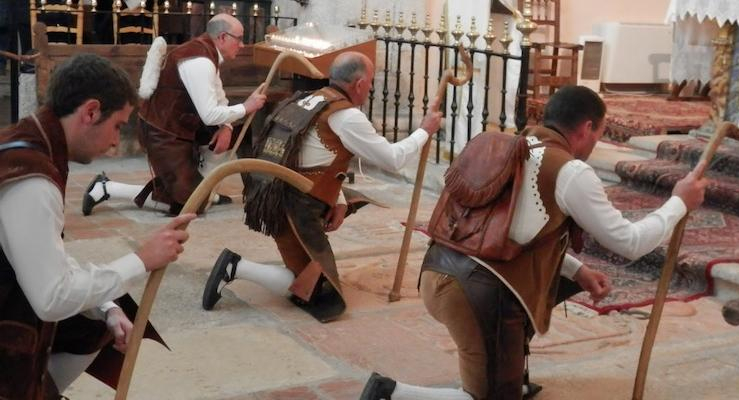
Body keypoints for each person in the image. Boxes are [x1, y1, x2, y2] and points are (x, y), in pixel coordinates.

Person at [359, 85, 709, 400]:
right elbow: (629, 242)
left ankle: (510, 372)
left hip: (438, 274)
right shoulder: (570, 172)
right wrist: (679, 202)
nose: (595, 143)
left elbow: (515, 232)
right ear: (587, 128)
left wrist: (580, 270)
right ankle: (392, 393)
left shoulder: (513, 146)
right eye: (599, 134)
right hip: (478, 296)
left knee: (560, 284)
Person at [0, 53, 196, 399]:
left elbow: (43, 254)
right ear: (91, 112)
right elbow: (52, 298)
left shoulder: (28, 143)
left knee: (97, 321)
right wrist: (141, 260)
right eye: (118, 126)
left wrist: (107, 306)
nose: (115, 142)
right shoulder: (32, 180)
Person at [201, 51, 444, 323]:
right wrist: (425, 130)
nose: (372, 88)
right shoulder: (347, 116)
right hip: (295, 205)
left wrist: (338, 202)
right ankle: (237, 267)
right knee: (323, 296)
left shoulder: (310, 99)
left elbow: (314, 159)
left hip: (277, 193)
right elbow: (393, 159)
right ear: (360, 83)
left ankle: (284, 264)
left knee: (350, 203)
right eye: (371, 81)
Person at [82, 13, 267, 217]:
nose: (241, 45)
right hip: (162, 133)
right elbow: (210, 114)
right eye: (239, 39)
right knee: (189, 207)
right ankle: (106, 188)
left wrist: (227, 127)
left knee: (239, 132)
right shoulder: (200, 61)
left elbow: (219, 97)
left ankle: (203, 189)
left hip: (184, 127)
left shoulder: (208, 53)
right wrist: (247, 106)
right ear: (223, 37)